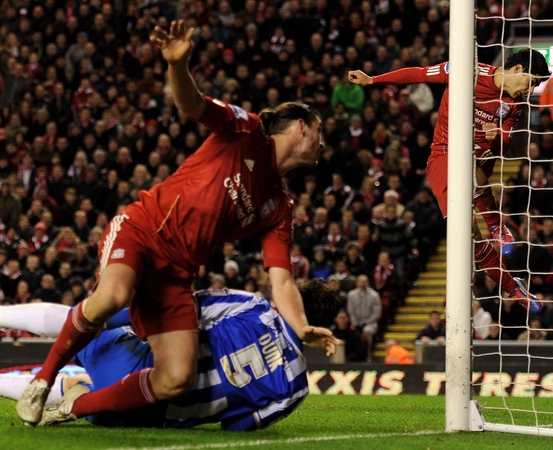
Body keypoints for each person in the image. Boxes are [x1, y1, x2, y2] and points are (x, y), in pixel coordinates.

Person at [16, 21, 337, 427]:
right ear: (302, 125)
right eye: (320, 132)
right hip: (143, 229)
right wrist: (178, 65)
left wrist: (303, 325)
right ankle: (42, 381)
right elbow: (194, 105)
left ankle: (70, 407)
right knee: (112, 297)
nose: (324, 144)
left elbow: (283, 281)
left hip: (177, 273)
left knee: (176, 379)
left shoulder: (279, 205)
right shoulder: (248, 130)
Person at [348, 50, 550, 313]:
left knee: (470, 162)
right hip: (443, 153)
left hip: (480, 158)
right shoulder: (468, 71)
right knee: (469, 234)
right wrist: (372, 80)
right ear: (517, 69)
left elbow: (505, 143)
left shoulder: (516, 103)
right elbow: (419, 73)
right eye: (532, 81)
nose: (531, 89)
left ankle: (495, 225)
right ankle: (513, 286)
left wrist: (494, 137)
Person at [0, 280, 340, 429]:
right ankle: (77, 396)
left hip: (134, 361)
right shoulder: (297, 388)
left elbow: (184, 306)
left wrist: (113, 316)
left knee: (82, 318)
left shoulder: (255, 307)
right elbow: (236, 427)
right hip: (142, 415)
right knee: (86, 390)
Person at [346, 274, 381, 362]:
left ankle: (368, 354)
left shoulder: (374, 295)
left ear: (368, 283)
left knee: (367, 331)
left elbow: (377, 313)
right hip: (355, 322)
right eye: (360, 282)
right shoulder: (351, 295)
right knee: (351, 332)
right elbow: (350, 311)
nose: (362, 284)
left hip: (370, 322)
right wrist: (355, 323)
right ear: (357, 283)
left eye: (364, 282)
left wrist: (366, 322)